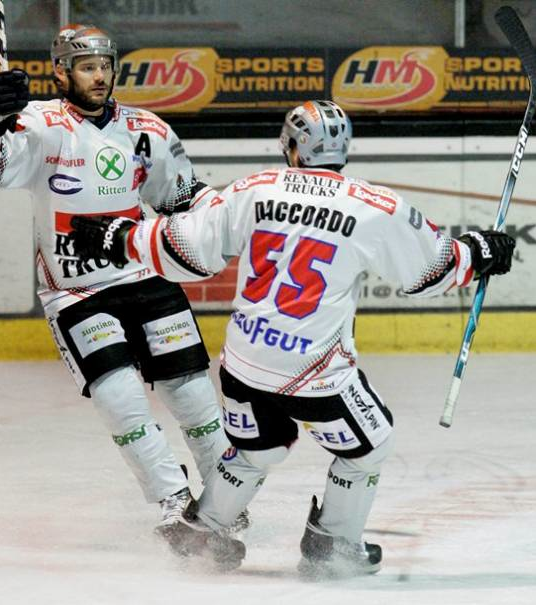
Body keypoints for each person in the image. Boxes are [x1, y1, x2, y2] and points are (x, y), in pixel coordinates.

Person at [69, 100, 516, 576]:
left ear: (292, 147)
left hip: (243, 364)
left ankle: (203, 530)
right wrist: (483, 250)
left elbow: (189, 244)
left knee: (254, 450)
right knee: (370, 444)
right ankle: (333, 545)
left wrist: (122, 238)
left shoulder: (255, 188)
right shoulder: (375, 206)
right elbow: (432, 266)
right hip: (314, 373)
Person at [0, 24, 236, 537]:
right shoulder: (36, 123)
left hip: (147, 277)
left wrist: (232, 216)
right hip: (77, 294)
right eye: (87, 67)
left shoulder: (144, 128)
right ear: (60, 71)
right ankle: (173, 500)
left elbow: (181, 195)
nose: (100, 76)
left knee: (193, 396)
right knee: (120, 400)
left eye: (106, 65)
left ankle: (227, 494)